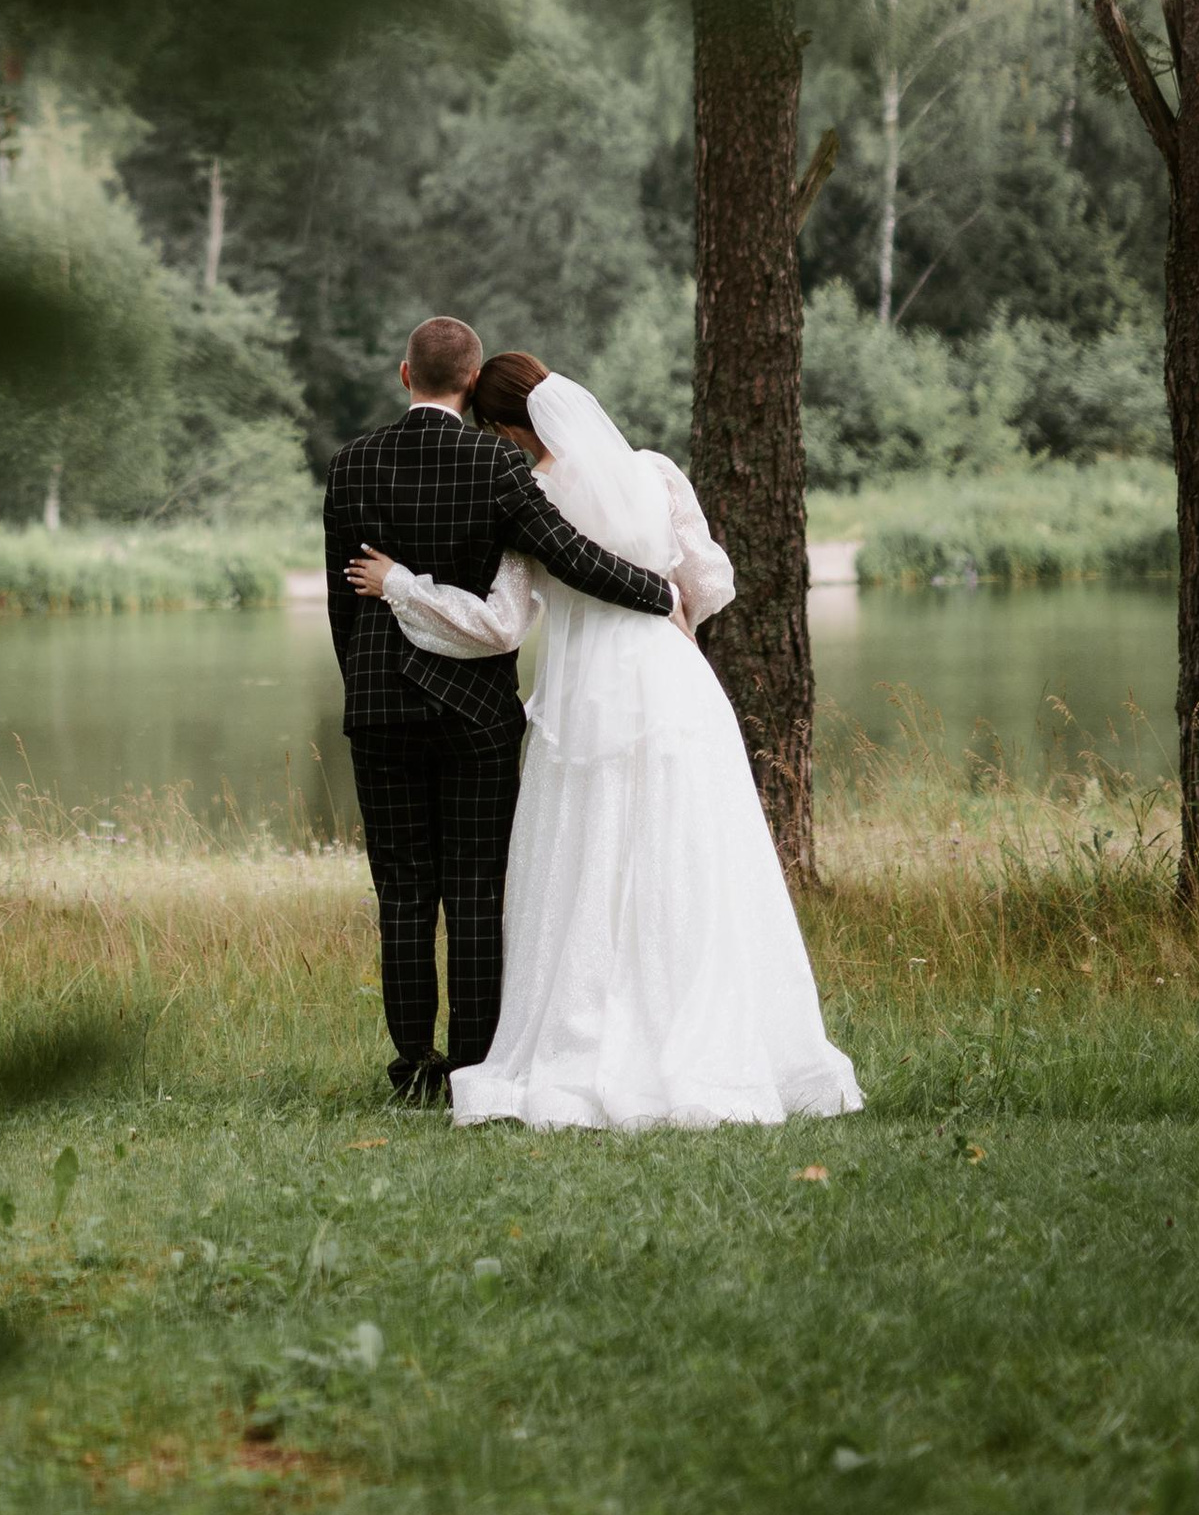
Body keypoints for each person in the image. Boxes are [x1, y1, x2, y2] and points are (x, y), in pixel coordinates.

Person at [354, 349, 864, 1131]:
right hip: (675, 682)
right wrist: (671, 611)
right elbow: (710, 581)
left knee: (590, 860)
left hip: (587, 696)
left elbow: (497, 625)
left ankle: (586, 1039)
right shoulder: (656, 472)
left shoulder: (532, 493)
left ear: (505, 427)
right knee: (692, 859)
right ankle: (727, 1043)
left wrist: (403, 587)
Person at [322, 315, 683, 1104]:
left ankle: (413, 1067)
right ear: (472, 378)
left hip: (379, 710)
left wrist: (369, 687)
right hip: (477, 715)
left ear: (404, 373)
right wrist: (657, 591)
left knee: (404, 895)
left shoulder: (350, 465)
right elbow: (567, 555)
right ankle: (473, 1068)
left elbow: (342, 606)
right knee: (477, 891)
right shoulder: (495, 461)